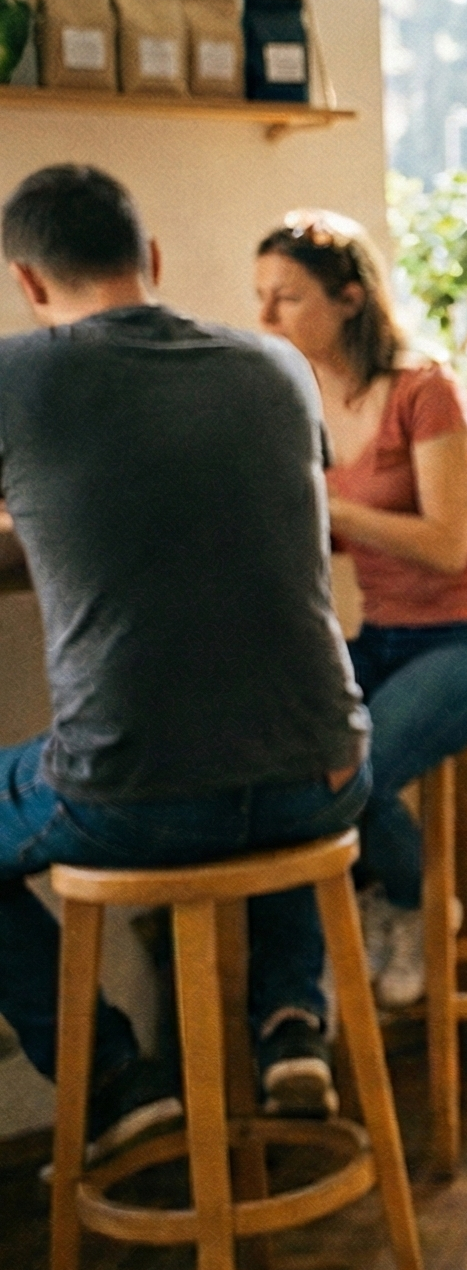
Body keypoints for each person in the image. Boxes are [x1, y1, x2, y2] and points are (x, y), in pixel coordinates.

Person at [0, 165, 372, 1152]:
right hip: (328, 777)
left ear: (29, 286)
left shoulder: (15, 375)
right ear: (153, 260)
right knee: (263, 708)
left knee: (176, 747)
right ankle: (292, 1018)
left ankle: (114, 1078)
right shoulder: (277, 368)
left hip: (135, 801)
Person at [255, 210, 467, 1008]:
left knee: (362, 766)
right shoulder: (301, 399)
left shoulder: (426, 387)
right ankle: (324, 970)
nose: (265, 318)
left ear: (349, 298)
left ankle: (416, 905)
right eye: (261, 298)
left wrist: (326, 507)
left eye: (285, 298)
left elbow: (448, 544)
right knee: (288, 743)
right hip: (388, 635)